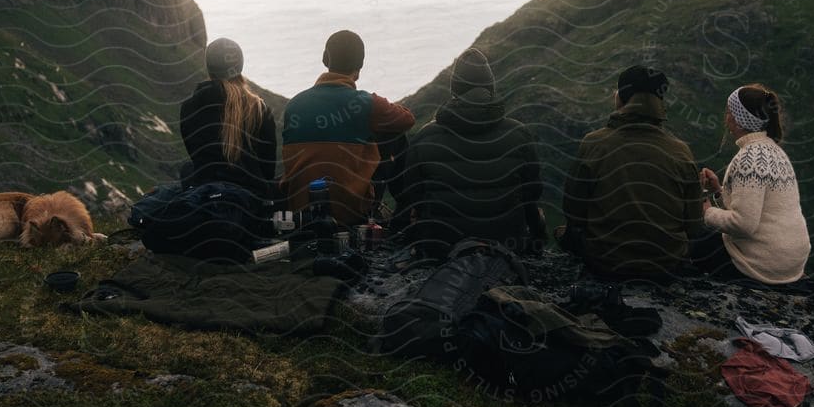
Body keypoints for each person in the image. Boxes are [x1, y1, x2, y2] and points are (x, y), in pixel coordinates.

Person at [396, 47, 546, 258]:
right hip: (506, 246)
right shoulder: (519, 133)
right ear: (490, 88)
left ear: (454, 90)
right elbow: (532, 193)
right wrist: (537, 237)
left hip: (440, 248)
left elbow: (411, 197)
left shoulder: (425, 137)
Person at [559, 64, 704, 282]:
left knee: (563, 233)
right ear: (659, 104)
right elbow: (694, 225)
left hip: (605, 262)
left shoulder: (594, 142)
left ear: (621, 99)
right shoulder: (681, 151)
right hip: (666, 264)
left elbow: (573, 212)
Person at [280, 29, 415, 227]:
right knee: (395, 136)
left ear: (325, 59)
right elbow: (407, 119)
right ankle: (402, 218)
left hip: (301, 211)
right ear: (359, 67)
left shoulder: (294, 105)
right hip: (350, 213)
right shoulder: (366, 103)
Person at [696, 83, 811, 284]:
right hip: (789, 260)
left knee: (692, 242)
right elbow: (755, 205)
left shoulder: (750, 158)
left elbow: (744, 225)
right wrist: (718, 192)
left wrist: (706, 211)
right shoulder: (774, 151)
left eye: (729, 112)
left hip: (762, 264)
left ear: (739, 121)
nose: (726, 117)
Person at [177, 37, 279, 215]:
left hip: (206, 196)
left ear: (209, 68)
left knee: (188, 169)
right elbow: (268, 168)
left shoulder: (188, 107)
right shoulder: (259, 108)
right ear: (240, 66)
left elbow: (195, 155)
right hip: (251, 201)